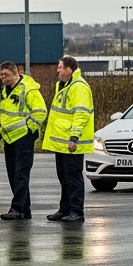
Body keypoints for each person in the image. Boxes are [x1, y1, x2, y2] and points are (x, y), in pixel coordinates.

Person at [44, 56, 95, 222]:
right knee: (64, 178)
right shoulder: (66, 86)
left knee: (73, 178)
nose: (58, 71)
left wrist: (74, 137)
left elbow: (81, 114)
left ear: (69, 69)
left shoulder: (79, 87)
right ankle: (65, 209)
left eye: (60, 68)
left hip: (72, 143)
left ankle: (76, 211)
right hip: (63, 144)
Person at [0, 61, 46, 220]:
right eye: (1, 74)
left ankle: (17, 208)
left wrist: (28, 128)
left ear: (15, 73)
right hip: (9, 139)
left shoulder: (28, 89)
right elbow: (3, 114)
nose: (2, 77)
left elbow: (40, 112)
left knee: (20, 174)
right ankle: (25, 209)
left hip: (23, 138)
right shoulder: (5, 90)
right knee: (13, 174)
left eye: (5, 74)